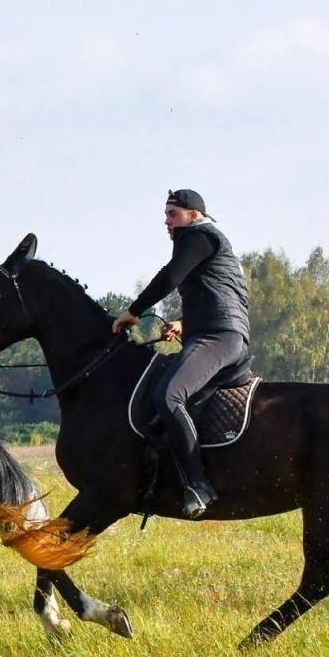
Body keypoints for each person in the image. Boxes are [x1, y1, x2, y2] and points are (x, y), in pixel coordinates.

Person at [112, 188, 250, 519]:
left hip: (219, 337)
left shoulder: (199, 235)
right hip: (217, 333)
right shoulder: (203, 242)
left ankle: (198, 485)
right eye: (165, 216)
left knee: (168, 396)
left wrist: (133, 311)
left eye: (172, 214)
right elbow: (222, 297)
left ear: (193, 214)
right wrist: (184, 324)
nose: (167, 222)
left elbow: (170, 277)